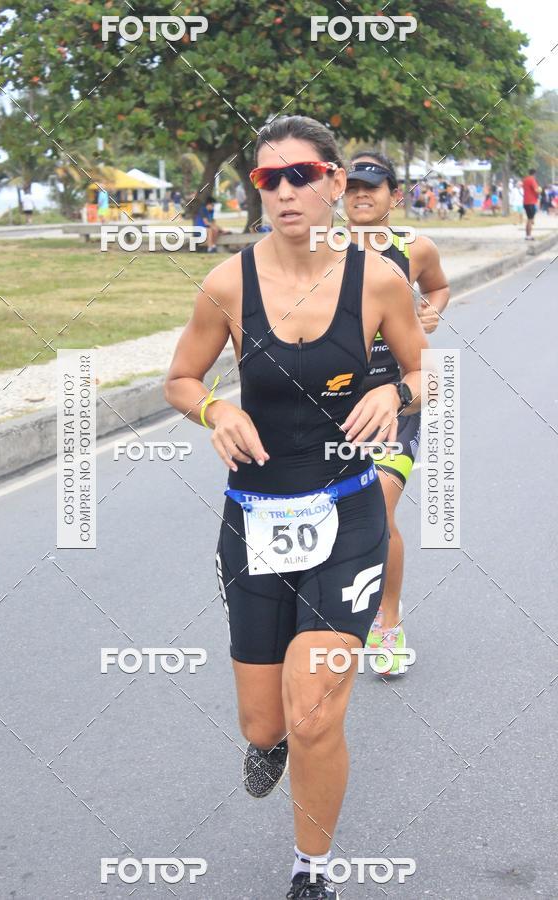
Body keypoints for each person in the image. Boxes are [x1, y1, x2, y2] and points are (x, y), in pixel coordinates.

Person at [165, 116, 427, 900]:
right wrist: (216, 410)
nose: (285, 191)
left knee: (314, 711)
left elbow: (427, 375)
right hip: (255, 518)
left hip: (347, 515)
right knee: (266, 723)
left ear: (336, 185)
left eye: (303, 174)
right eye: (267, 179)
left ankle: (310, 869)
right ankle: (266, 745)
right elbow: (180, 379)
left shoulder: (378, 280)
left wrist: (395, 390)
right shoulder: (227, 284)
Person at [343, 151, 450, 673]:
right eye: (352, 187)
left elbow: (438, 287)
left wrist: (422, 322)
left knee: (377, 513)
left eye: (373, 186)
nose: (361, 195)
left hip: (396, 397)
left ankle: (387, 623)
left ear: (393, 195)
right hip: (331, 401)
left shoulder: (415, 248)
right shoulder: (320, 249)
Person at [522, 168, 541, 240]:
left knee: (529, 219)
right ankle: (529, 235)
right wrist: (540, 190)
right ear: (534, 174)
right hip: (531, 201)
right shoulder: (532, 180)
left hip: (526, 201)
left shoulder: (525, 179)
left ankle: (527, 235)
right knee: (530, 219)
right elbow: (536, 190)